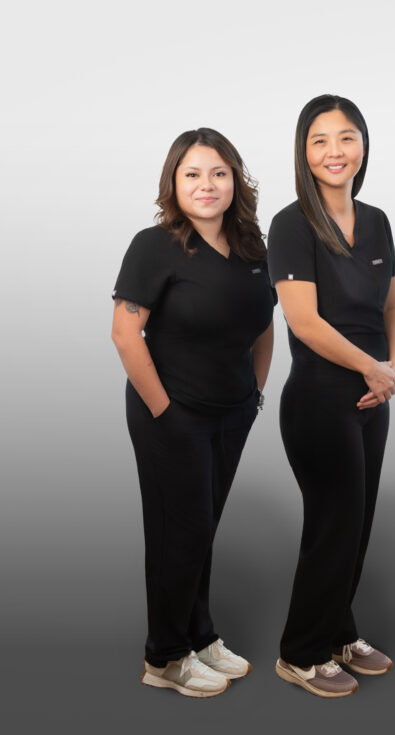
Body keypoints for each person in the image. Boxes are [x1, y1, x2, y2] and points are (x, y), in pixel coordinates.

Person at [111, 128, 275, 698]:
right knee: (177, 534)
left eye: (218, 173)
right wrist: (165, 413)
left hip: (232, 413)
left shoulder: (252, 247)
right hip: (171, 414)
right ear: (173, 184)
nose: (206, 185)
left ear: (235, 181)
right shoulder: (154, 246)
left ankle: (200, 636)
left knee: (202, 529)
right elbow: (125, 333)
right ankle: (164, 658)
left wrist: (254, 396)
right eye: (193, 174)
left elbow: (263, 325)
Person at [269, 95, 395, 698]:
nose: (334, 152)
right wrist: (373, 368)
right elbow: (304, 322)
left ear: (364, 147)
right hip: (320, 398)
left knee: (361, 519)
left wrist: (391, 369)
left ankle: (339, 632)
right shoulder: (292, 224)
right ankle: (300, 652)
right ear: (304, 151)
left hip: (375, 397)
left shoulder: (375, 220)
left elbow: (393, 303)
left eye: (346, 138)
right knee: (335, 522)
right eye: (320, 140)